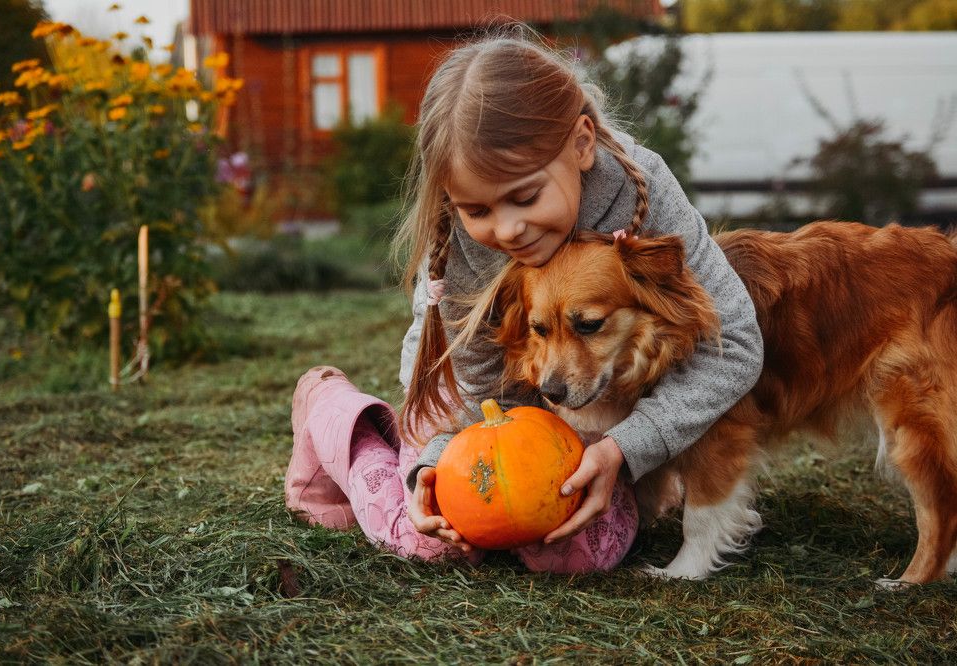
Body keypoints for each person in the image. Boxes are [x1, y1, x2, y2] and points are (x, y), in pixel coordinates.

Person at [285, 29, 763, 574]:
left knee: (580, 553)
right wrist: (434, 468)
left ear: (582, 144)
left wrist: (625, 447)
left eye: (525, 196)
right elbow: (475, 392)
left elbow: (736, 342)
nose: (508, 229)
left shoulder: (642, 189)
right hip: (467, 398)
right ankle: (342, 419)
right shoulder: (464, 246)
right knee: (432, 544)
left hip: (579, 415)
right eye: (477, 210)